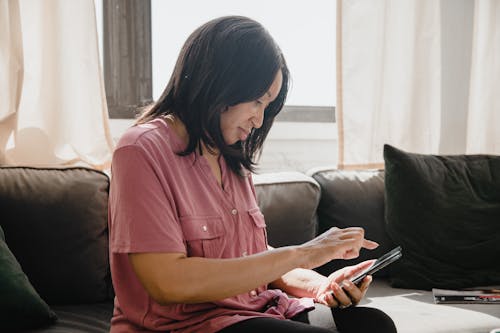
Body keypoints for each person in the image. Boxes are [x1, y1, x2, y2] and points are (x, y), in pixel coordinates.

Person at [108, 16, 397, 333]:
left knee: (375, 325)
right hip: (189, 325)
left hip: (260, 311)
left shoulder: (230, 156)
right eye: (256, 101)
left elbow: (255, 258)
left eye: (267, 105)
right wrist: (304, 253)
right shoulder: (140, 151)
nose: (259, 120)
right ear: (217, 83)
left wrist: (321, 285)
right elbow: (167, 281)